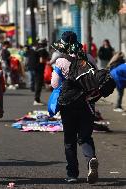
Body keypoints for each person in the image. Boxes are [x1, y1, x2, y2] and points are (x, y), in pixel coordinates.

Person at [51, 31, 99, 184]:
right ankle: (90, 158)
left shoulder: (61, 61)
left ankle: (72, 174)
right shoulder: (88, 57)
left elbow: (55, 84)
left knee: (70, 140)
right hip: (87, 103)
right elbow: (96, 77)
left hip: (69, 104)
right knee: (85, 137)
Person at [33, 40, 49, 105]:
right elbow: (41, 60)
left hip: (36, 69)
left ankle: (37, 99)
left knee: (38, 84)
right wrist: (48, 62)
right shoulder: (42, 51)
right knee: (38, 84)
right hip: (40, 69)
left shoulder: (37, 49)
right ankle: (36, 100)